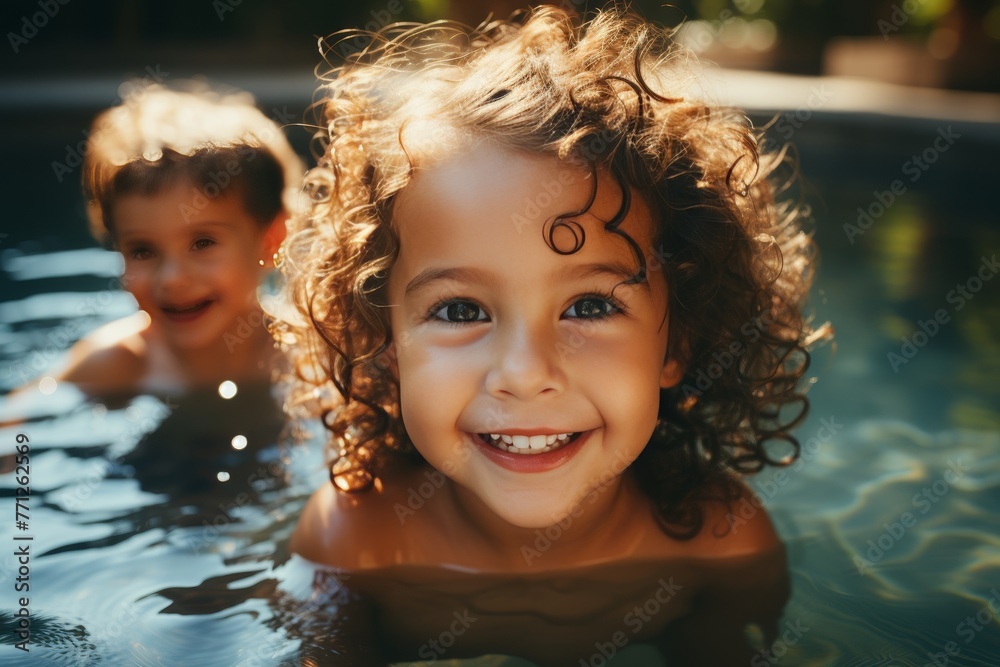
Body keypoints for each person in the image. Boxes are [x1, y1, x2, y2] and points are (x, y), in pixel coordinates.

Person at [277, 5, 827, 664]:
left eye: (590, 305)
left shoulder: (718, 543)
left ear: (677, 341)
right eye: (459, 311)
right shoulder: (354, 540)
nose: (524, 369)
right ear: (386, 345)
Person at [31, 85, 304, 398]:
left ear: (271, 241)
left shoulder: (311, 359)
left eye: (203, 242)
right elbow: (15, 426)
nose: (172, 278)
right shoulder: (116, 366)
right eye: (142, 250)